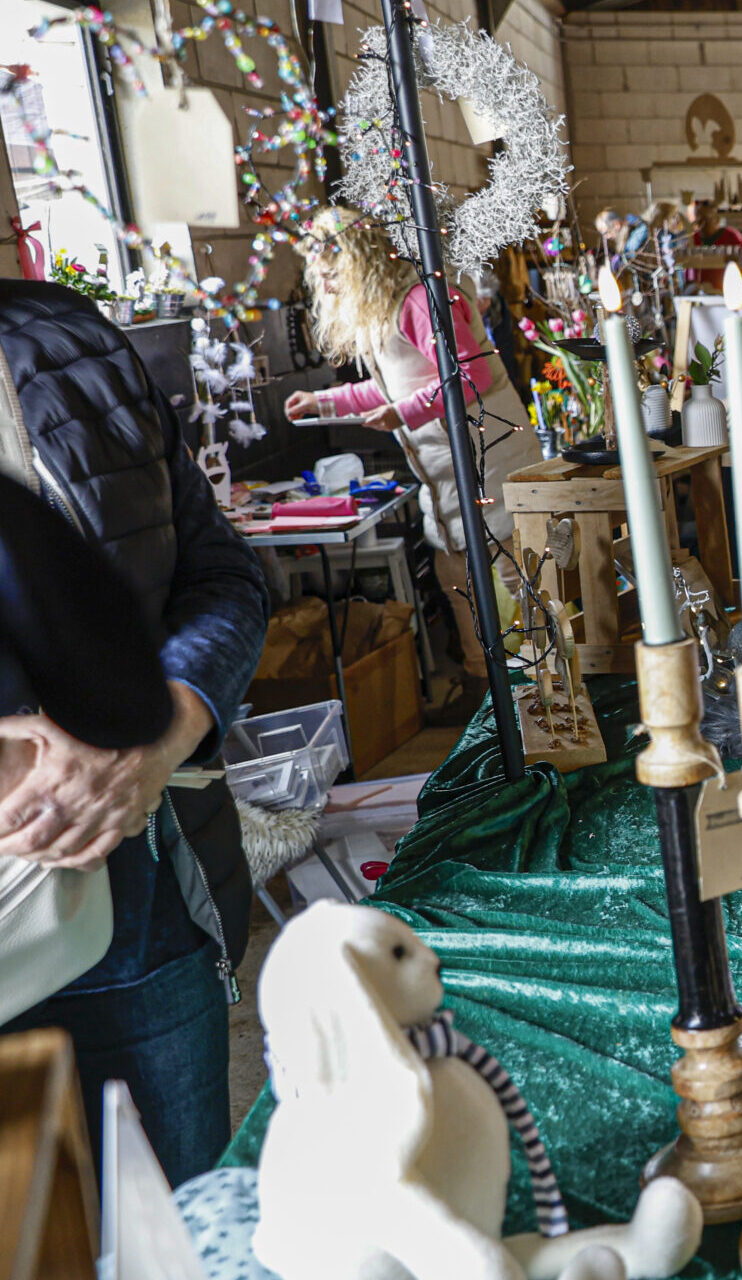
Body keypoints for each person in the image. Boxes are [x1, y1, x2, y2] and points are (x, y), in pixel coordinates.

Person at [0, 277, 268, 1186]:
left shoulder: (67, 340)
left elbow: (223, 577)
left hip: (135, 907)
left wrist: (157, 735)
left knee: (178, 1218)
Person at [286, 207, 539, 708]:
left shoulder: (424, 299)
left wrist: (404, 414)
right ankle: (483, 684)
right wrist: (325, 402)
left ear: (361, 261)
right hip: (444, 472)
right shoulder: (387, 310)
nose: (324, 282)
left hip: (489, 456)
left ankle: (548, 676)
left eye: (331, 271)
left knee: (517, 571)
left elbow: (472, 377)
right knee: (453, 573)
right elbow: (392, 386)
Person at [685, 197, 742, 293]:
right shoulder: (693, 239)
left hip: (728, 291)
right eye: (699, 218)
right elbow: (687, 272)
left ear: (716, 219)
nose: (702, 223)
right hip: (701, 293)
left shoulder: (732, 237)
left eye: (706, 218)